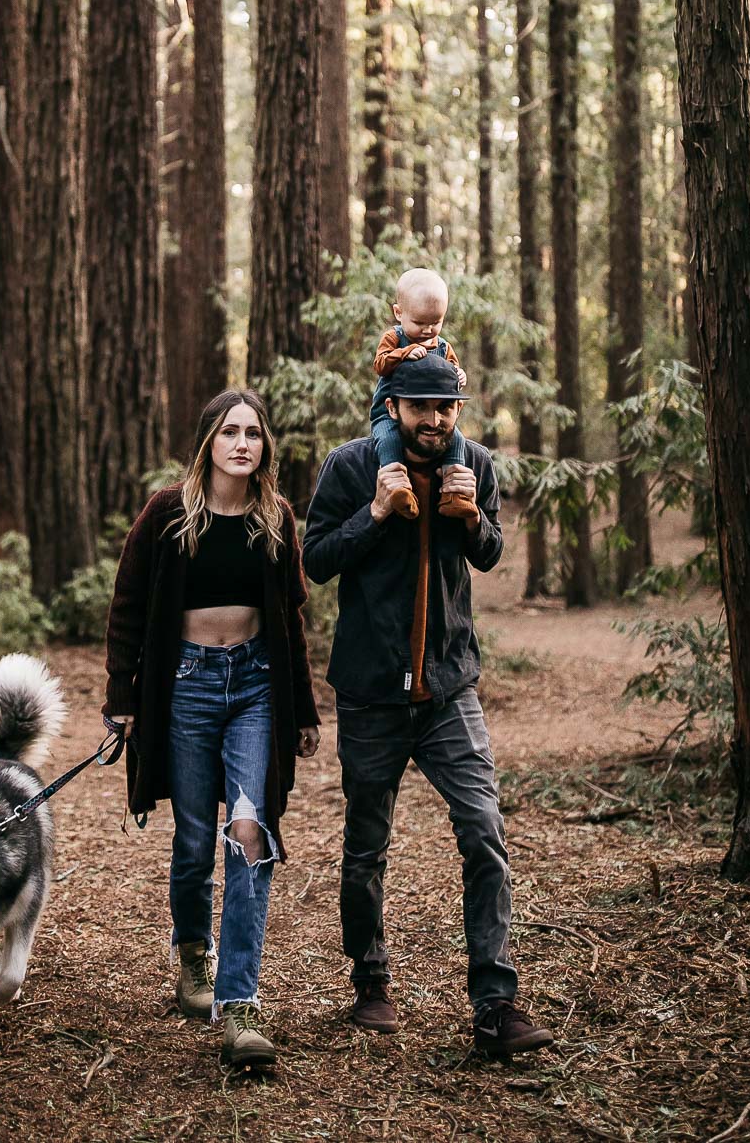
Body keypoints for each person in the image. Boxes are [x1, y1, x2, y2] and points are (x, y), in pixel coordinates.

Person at [302, 352, 553, 1058]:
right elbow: (314, 558)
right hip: (371, 695)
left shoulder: (473, 464)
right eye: (420, 408)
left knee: (484, 833)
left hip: (449, 690)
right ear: (394, 408)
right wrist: (376, 512)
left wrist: (472, 518)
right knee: (365, 848)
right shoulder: (350, 466)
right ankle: (371, 978)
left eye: (445, 410)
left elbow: (491, 553)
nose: (434, 421)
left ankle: (495, 1004)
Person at [104, 388, 320, 1070]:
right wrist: (121, 699)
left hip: (256, 684)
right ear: (208, 442)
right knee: (196, 839)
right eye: (229, 432)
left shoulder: (276, 517)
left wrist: (305, 708)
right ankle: (193, 955)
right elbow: (128, 605)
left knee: (249, 833)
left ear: (265, 448)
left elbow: (291, 618)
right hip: (186, 689)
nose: (242, 444)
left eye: (253, 434)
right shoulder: (168, 514)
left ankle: (241, 1004)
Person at [370, 268, 467, 522]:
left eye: (435, 323)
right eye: (420, 323)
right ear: (399, 313)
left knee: (457, 439)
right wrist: (404, 353)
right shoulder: (395, 338)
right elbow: (380, 364)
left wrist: (459, 374)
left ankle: (453, 494)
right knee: (388, 441)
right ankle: (399, 490)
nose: (428, 330)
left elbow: (453, 367)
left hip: (422, 416)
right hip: (389, 414)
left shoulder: (443, 345)